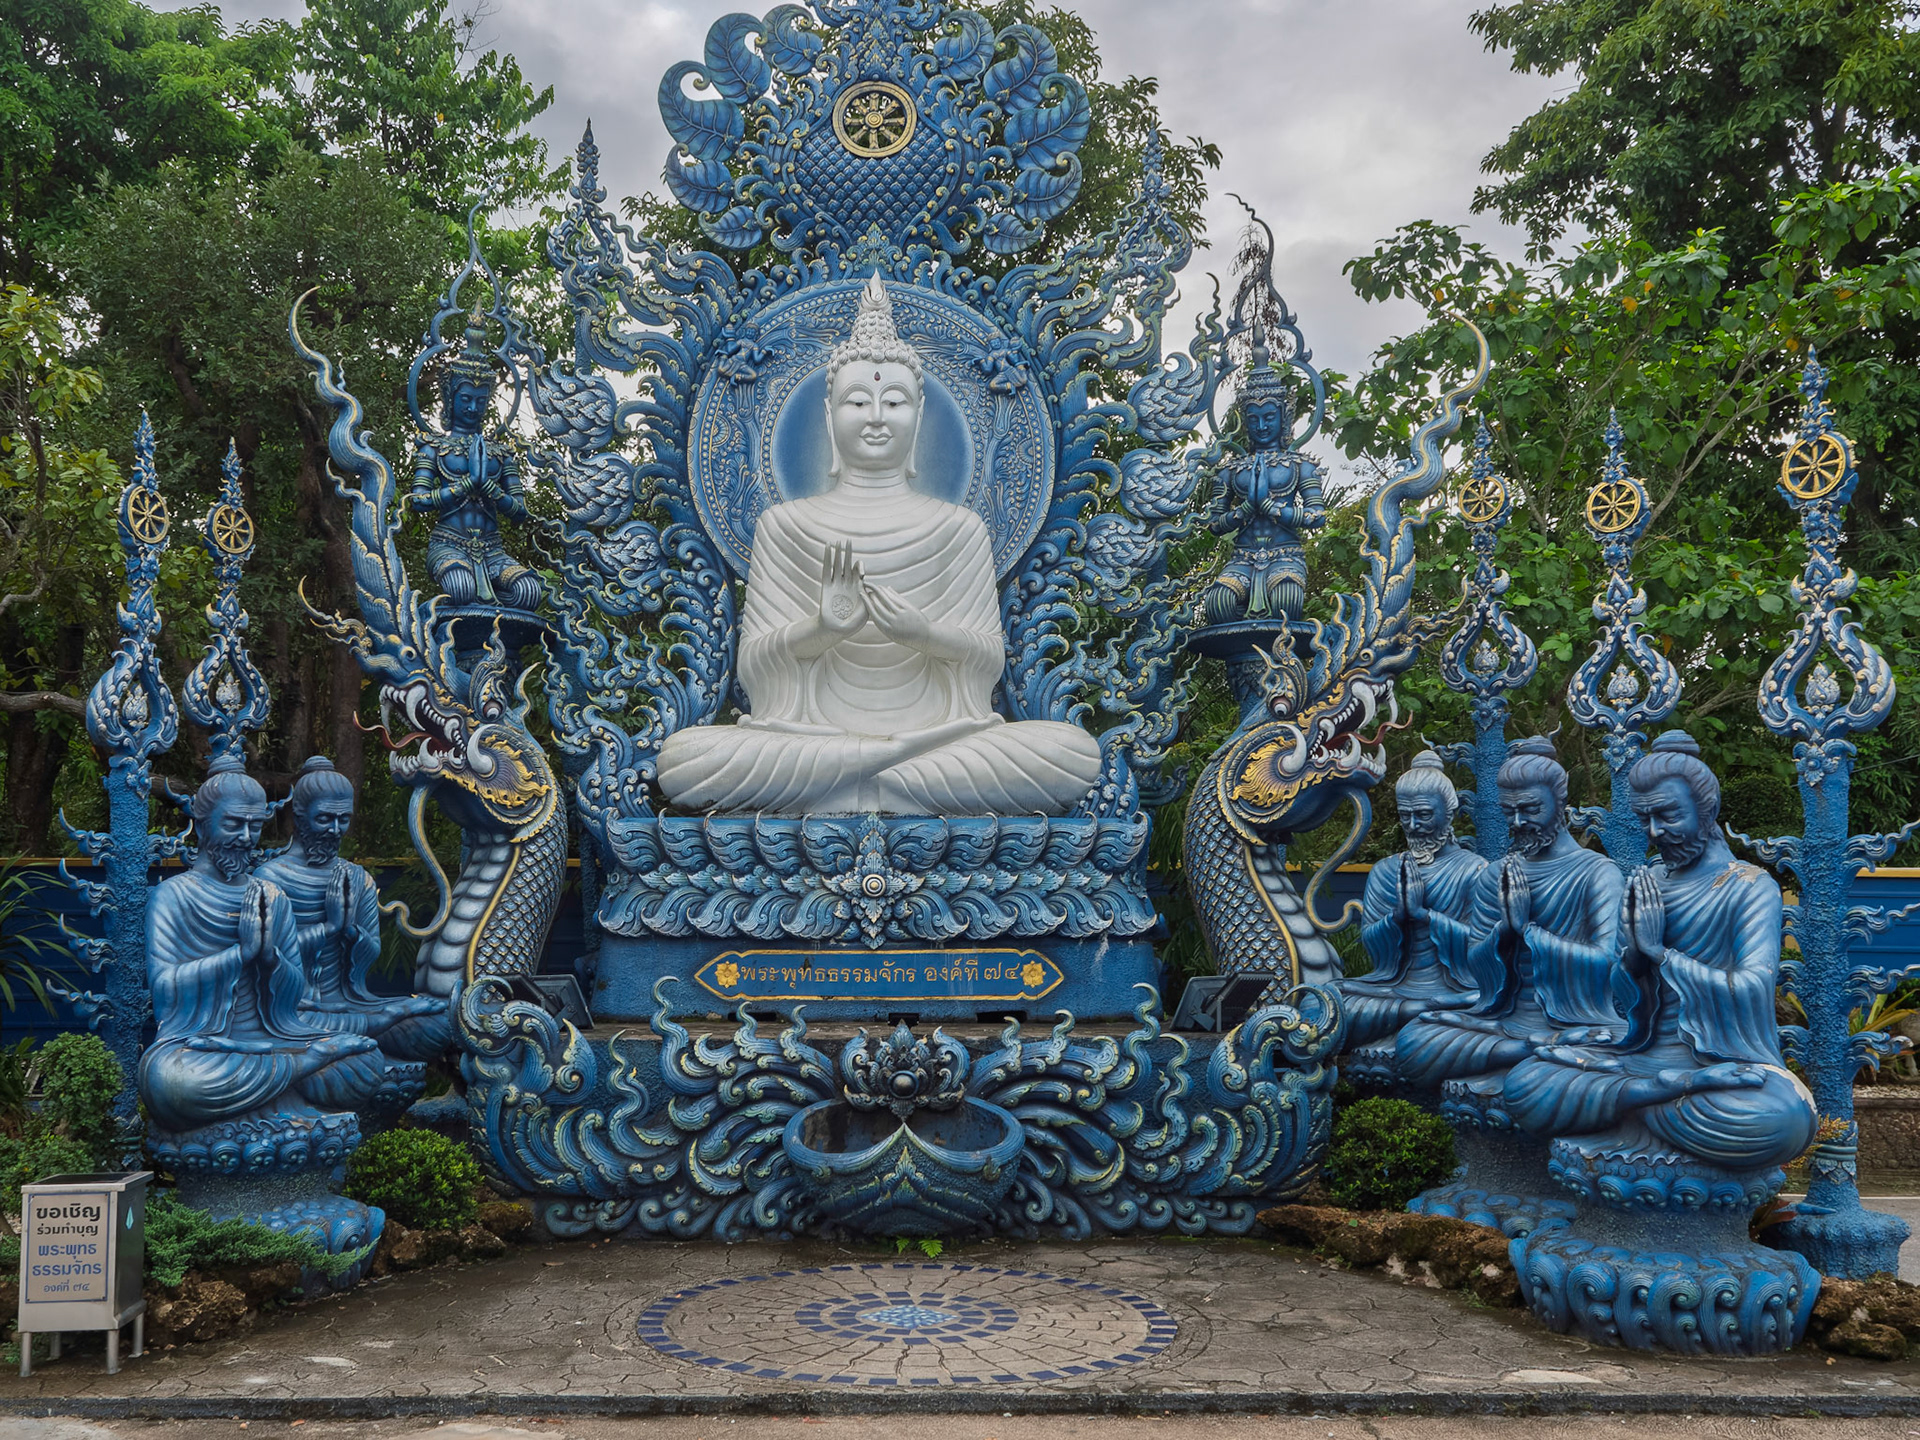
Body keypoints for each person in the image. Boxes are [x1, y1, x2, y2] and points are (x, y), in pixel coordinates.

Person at [656, 275, 1103, 816]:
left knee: (1069, 754)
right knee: (684, 761)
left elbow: (987, 660)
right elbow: (755, 668)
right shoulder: (783, 525)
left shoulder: (958, 528)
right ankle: (885, 775)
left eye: (893, 401)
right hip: (808, 743)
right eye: (856, 401)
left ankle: (860, 779)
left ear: (917, 417)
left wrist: (927, 634)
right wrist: (820, 631)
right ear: (828, 416)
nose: (875, 416)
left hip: (937, 741)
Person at [1501, 732, 1816, 1170]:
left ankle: (1636, 1099)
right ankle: (1664, 1089)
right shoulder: (1649, 883)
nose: (1655, 833)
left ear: (1706, 811)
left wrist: (1660, 952)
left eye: (1668, 816)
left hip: (1723, 1064)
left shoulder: (1749, 885)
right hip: (1645, 1055)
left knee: (1783, 1120)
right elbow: (1618, 994)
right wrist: (1634, 960)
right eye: (1645, 819)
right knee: (1524, 1083)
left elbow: (1751, 986)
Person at [139, 757, 384, 1135]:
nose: (245, 837)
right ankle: (297, 1075)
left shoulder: (270, 896)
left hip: (271, 1040)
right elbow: (165, 987)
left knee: (365, 1062)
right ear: (203, 826)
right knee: (172, 1083)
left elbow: (292, 1000)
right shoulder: (173, 896)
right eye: (234, 823)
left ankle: (291, 1075)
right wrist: (240, 955)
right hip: (201, 1049)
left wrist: (270, 958)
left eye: (254, 826)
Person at [1395, 736, 1624, 1091]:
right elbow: (1475, 964)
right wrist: (1505, 932)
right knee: (1415, 1039)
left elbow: (1606, 961)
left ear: (1560, 803)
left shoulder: (1598, 872)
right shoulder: (1495, 874)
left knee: (1545, 1078)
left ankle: (1537, 1055)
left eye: (1530, 809)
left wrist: (1527, 931)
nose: (1517, 822)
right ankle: (1531, 1050)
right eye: (1508, 811)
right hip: (1504, 1017)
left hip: (1575, 1019)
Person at [256, 756, 451, 1063]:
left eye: (343, 819)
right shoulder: (271, 878)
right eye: (324, 819)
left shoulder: (356, 878)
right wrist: (330, 928)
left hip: (350, 1003)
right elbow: (270, 960)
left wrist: (350, 931)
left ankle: (365, 1032)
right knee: (354, 1052)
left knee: (437, 1026)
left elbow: (371, 949)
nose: (335, 830)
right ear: (300, 815)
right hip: (296, 1011)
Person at [1339, 752, 1484, 1050]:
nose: (1414, 825)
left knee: (1482, 1003)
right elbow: (1372, 945)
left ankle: (1415, 1023)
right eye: (1405, 816)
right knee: (1327, 1000)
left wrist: (1424, 916)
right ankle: (1416, 1018)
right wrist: (1397, 918)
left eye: (1424, 814)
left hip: (1457, 992)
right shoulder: (1386, 870)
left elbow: (1485, 948)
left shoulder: (1476, 870)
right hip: (1395, 989)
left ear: (1450, 812)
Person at [412, 311, 543, 611]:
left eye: (480, 400)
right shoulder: (434, 447)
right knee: (461, 589)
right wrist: (467, 485)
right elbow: (418, 501)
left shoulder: (501, 452)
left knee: (528, 592)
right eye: (466, 398)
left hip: (493, 551)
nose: (473, 407)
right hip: (449, 545)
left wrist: (491, 490)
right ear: (451, 397)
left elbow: (520, 512)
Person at [1201, 321, 1326, 627]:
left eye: (1269, 417)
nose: (1261, 426)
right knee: (1218, 605)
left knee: (1286, 602)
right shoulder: (1231, 471)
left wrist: (1273, 509)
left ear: (1283, 417)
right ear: (1244, 420)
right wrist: (1245, 510)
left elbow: (1317, 516)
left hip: (1285, 555)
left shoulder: (1299, 465)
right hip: (1243, 559)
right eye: (1253, 418)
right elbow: (1214, 523)